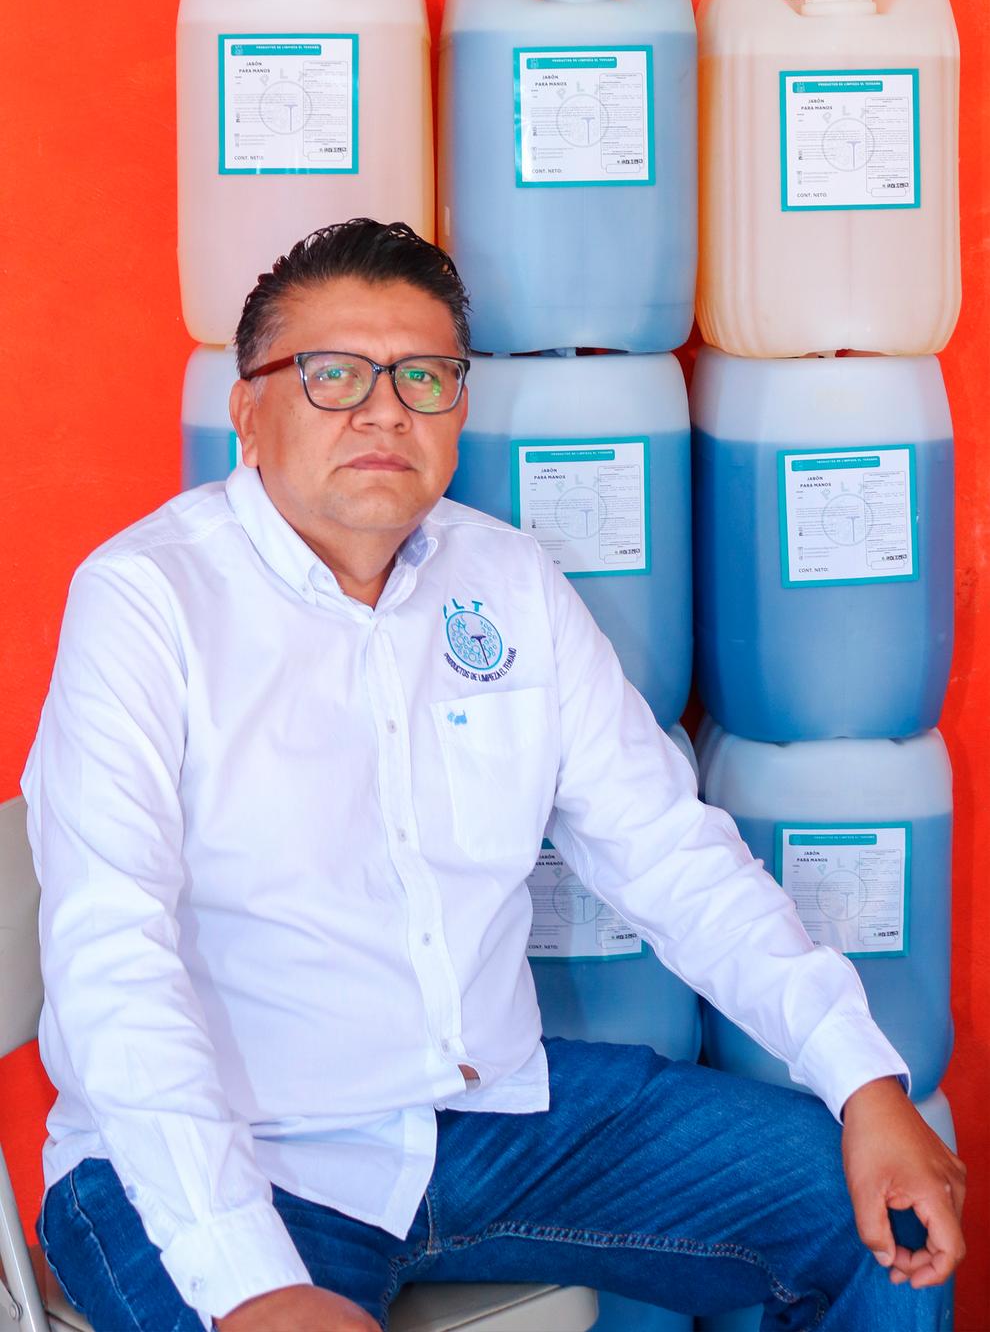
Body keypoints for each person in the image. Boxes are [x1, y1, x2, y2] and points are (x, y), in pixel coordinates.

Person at [23, 219, 964, 1332]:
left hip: (488, 1121)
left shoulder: (508, 581)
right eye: (333, 375)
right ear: (247, 410)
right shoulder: (147, 602)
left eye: (424, 376)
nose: (385, 410)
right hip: (232, 1152)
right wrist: (247, 1279)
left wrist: (864, 1080)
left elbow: (671, 855)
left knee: (873, 1211)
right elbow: (112, 954)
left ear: (459, 407)